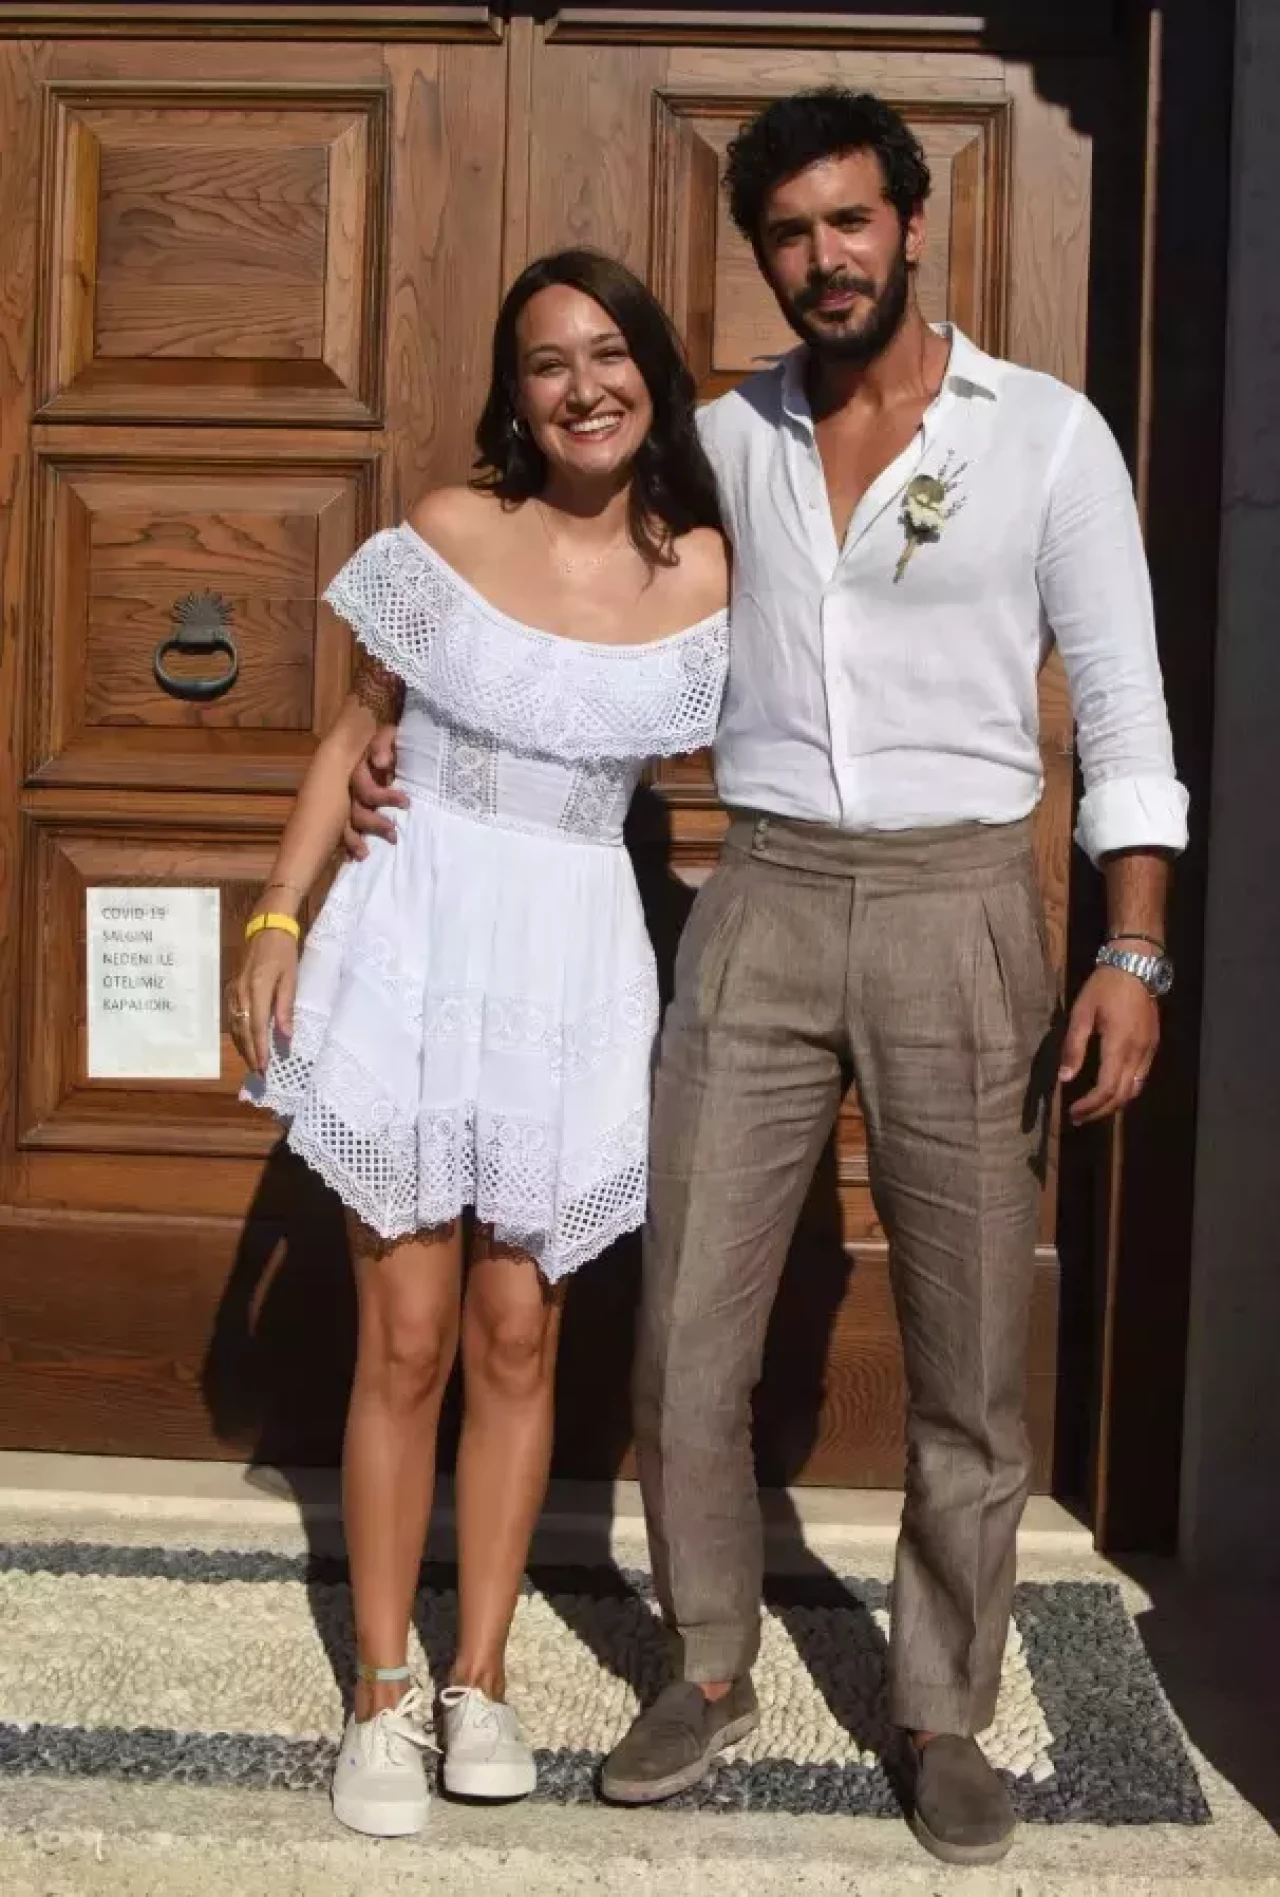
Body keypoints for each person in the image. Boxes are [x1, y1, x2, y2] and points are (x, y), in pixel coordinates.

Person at [348, 91, 1187, 1868]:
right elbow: (547, 577)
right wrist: (396, 740)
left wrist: (1130, 944)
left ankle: (941, 1706)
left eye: (851, 221)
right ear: (765, 257)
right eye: (792, 234)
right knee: (686, 1333)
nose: (827, 258)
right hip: (764, 892)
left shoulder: (1046, 435)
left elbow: (1123, 707)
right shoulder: (719, 441)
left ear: (913, 225)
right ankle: (708, 1664)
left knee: (970, 1348)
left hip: (964, 902)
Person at [229, 248, 729, 1839]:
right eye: (546, 362)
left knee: (522, 1339)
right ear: (515, 394)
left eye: (608, 353)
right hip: (419, 936)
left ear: (651, 371)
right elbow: (355, 730)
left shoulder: (713, 574)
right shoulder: (449, 531)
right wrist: (280, 913)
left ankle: (481, 1674)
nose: (583, 386)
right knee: (407, 1337)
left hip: (572, 963)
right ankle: (382, 1689)